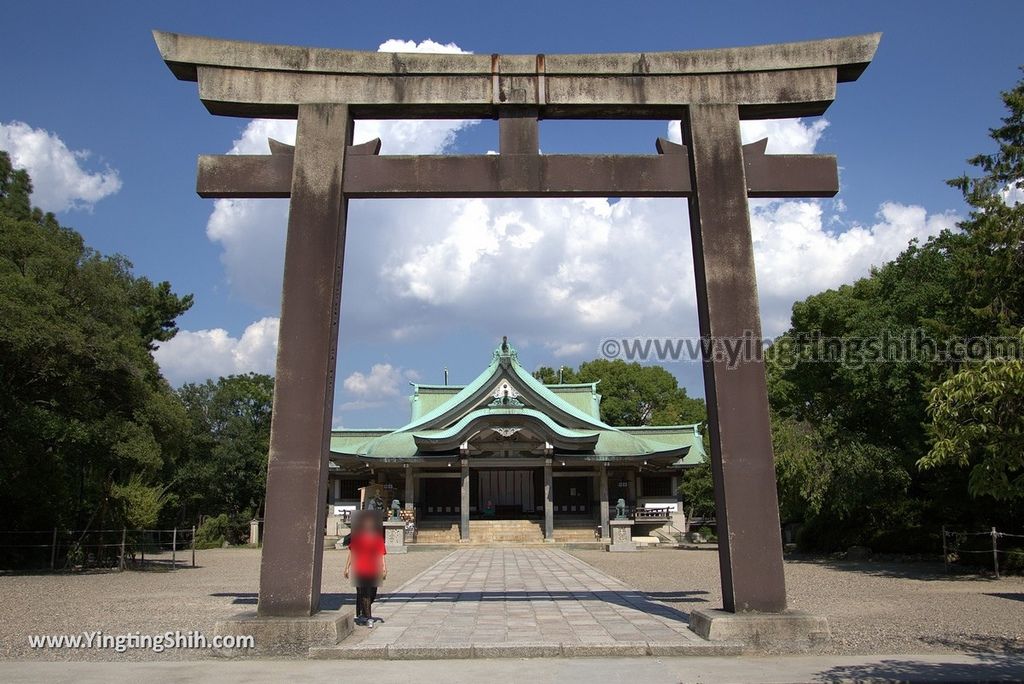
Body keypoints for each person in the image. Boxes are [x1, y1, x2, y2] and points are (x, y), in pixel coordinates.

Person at [344, 512, 387, 627]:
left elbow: (381, 554)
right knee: (365, 594)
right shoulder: (358, 538)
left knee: (372, 593)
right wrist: (347, 567)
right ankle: (369, 618)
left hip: (374, 569)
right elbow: (352, 553)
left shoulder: (377, 539)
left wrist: (384, 568)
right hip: (360, 568)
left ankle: (363, 612)